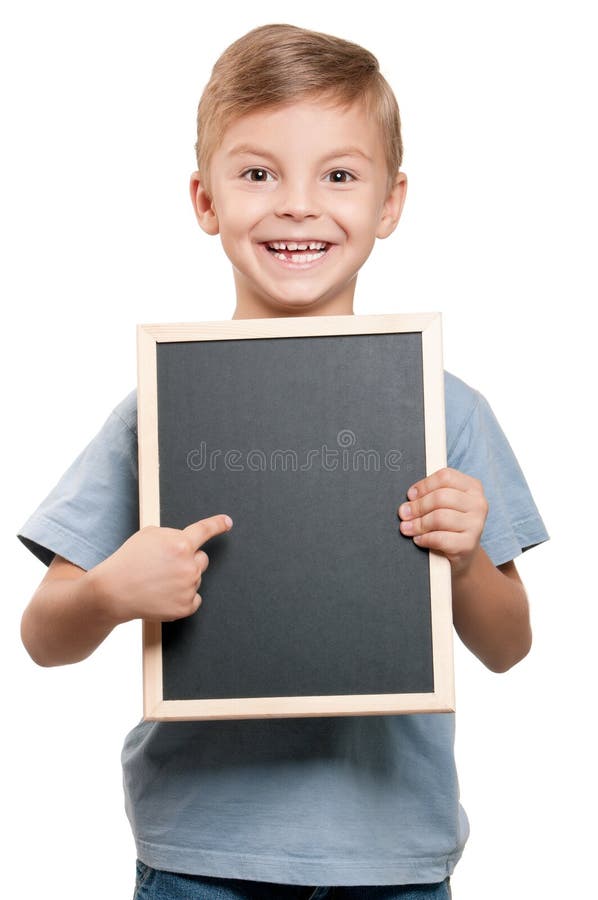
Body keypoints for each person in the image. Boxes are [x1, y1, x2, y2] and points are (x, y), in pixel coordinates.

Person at [17, 23, 549, 900]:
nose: (298, 205)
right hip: (198, 854)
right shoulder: (160, 406)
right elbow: (44, 633)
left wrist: (462, 562)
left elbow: (508, 644)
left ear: (390, 202)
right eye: (258, 173)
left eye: (338, 175)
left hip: (392, 857)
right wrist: (112, 591)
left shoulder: (445, 409)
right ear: (205, 199)